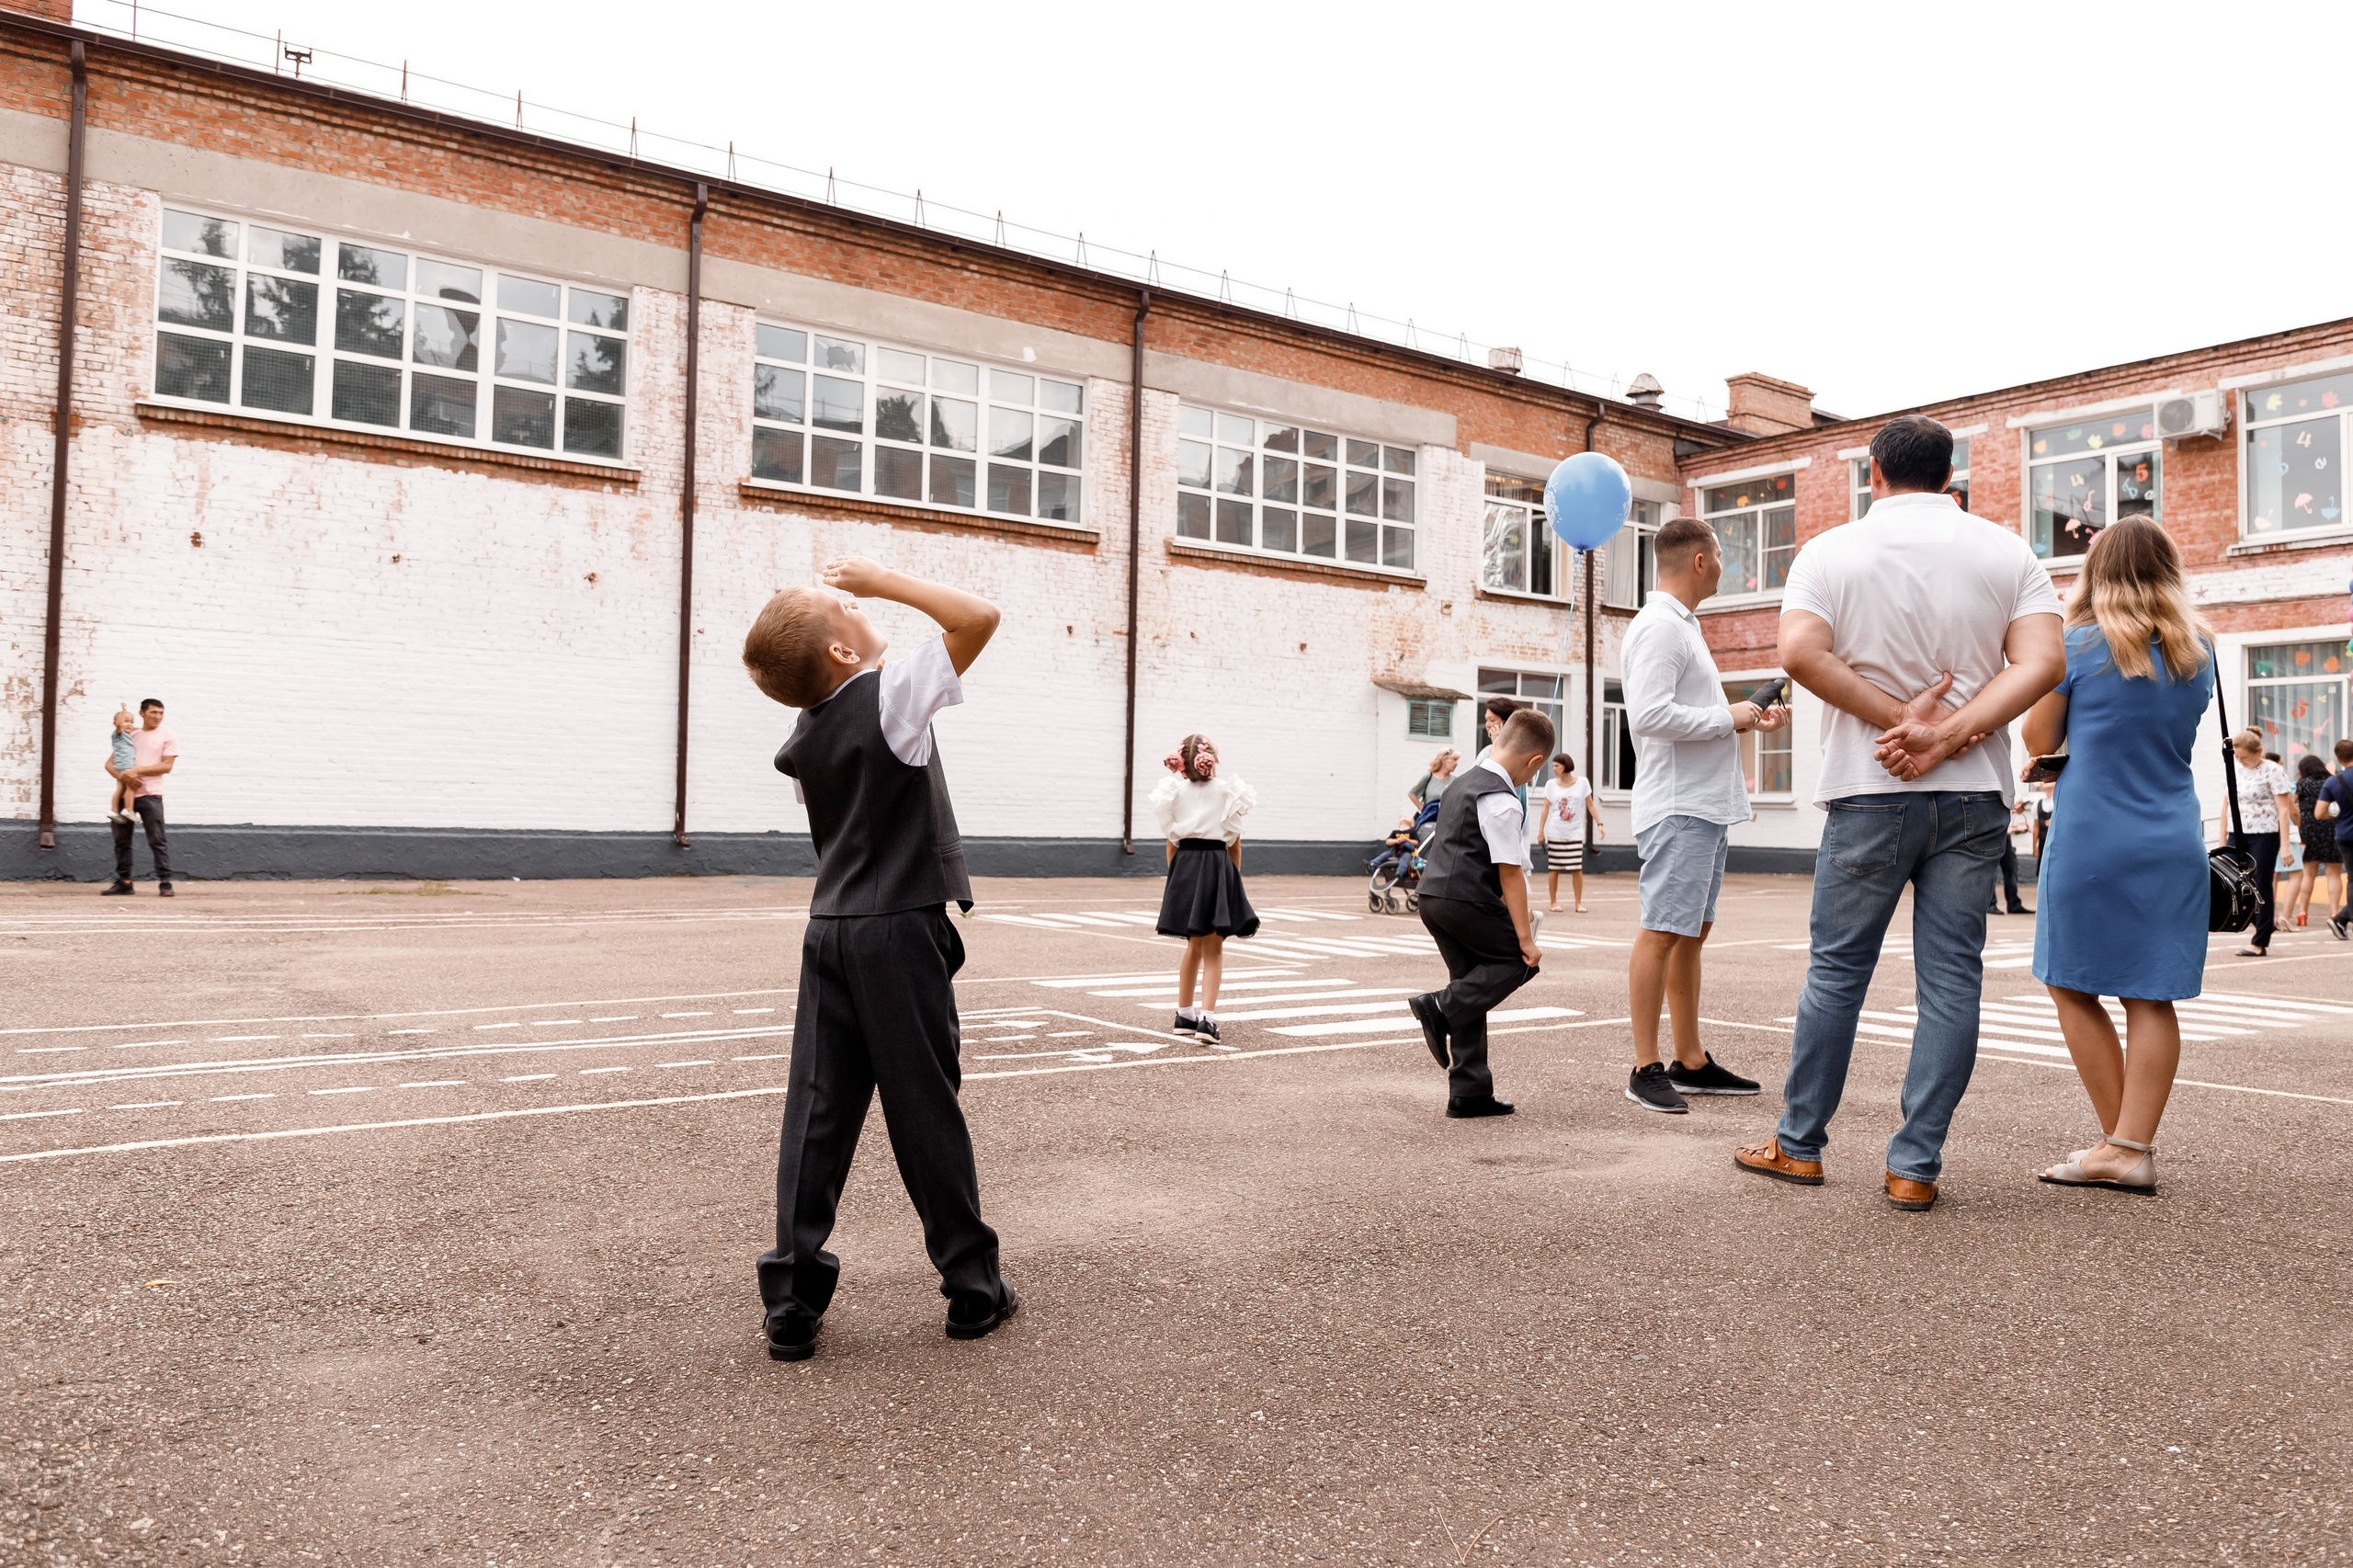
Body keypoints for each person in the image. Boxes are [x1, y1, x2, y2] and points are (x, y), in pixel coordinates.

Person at [1734, 415, 2065, 1212]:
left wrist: (1898, 726)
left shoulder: (1829, 551)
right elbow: (2045, 662)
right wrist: (1949, 734)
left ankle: (1800, 1146)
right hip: (1973, 794)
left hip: (1869, 789)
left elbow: (1800, 655)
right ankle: (1915, 1166)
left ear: (1873, 473)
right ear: (1950, 476)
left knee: (1838, 973)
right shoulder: (2007, 550)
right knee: (1952, 981)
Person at [740, 555, 1016, 1362]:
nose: (855, 603)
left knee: (817, 1112)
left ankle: (791, 1299)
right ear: (842, 654)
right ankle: (972, 1287)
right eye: (842, 605)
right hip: (898, 929)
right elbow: (979, 617)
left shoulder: (807, 737)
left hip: (830, 928)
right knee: (924, 1106)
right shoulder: (889, 695)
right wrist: (885, 580)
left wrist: (847, 600)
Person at [2024, 517, 2214, 1195]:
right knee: (2151, 995)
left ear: (2094, 569)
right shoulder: (2200, 650)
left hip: (2093, 837)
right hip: (2172, 837)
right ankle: (2127, 1144)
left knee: (2070, 982)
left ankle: (2122, 1146)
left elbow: (2038, 735)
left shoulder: (2074, 646)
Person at [1619, 517, 1782, 1113]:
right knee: (1662, 932)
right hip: (1679, 807)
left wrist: (1749, 717)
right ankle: (1644, 1067)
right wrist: (1729, 717)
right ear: (1698, 562)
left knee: (1689, 935)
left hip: (1704, 806)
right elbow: (1649, 717)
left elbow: (1694, 716)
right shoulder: (1661, 628)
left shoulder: (1683, 627)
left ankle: (1690, 1061)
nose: (1723, 565)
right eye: (1719, 555)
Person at [1408, 707, 1556, 1119]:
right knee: (1517, 963)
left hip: (1433, 897)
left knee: (1471, 984)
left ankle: (1469, 1092)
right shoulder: (1502, 799)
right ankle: (1438, 1008)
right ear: (1535, 762)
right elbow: (1510, 874)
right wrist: (1526, 938)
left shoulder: (1460, 785)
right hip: (1465, 900)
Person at [1152, 733, 1259, 1041]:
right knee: (1214, 947)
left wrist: (1175, 875)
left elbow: (1171, 841)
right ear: (1213, 759)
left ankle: (1184, 1014)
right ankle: (1207, 1021)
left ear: (1182, 761)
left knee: (1192, 944)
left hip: (1184, 863)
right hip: (1216, 864)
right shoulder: (1229, 791)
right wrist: (1232, 877)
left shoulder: (1173, 791)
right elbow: (1234, 842)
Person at [2222, 730, 2293, 958]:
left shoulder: (2273, 771)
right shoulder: (2235, 770)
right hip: (2238, 832)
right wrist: (2223, 839)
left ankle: (2260, 941)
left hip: (2265, 832)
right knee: (2234, 882)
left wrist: (2285, 845)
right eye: (2238, 757)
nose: (2240, 761)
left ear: (2258, 752)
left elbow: (2283, 809)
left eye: (2244, 757)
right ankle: (2258, 923)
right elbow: (2226, 806)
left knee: (2261, 883)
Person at [102, 698, 178, 898]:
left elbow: (166, 766)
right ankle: (124, 883)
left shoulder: (167, 736)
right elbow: (110, 764)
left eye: (161, 713)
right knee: (122, 841)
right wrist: (125, 778)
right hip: (126, 794)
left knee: (157, 840)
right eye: (153, 712)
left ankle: (165, 883)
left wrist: (136, 772)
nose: (158, 717)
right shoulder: (131, 734)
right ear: (142, 713)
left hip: (151, 795)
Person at [1540, 754, 1603, 913]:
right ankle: (1553, 902)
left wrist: (1599, 824)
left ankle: (1578, 903)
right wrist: (1541, 831)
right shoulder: (1550, 785)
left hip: (1575, 832)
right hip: (1555, 832)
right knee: (1554, 868)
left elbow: (1590, 805)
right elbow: (1545, 809)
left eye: (1557, 766)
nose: (1554, 769)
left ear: (1566, 765)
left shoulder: (1582, 783)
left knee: (1576, 868)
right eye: (1553, 766)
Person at [2289, 753, 2341, 928]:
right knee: (2333, 874)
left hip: (2308, 831)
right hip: (2331, 828)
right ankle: (2334, 912)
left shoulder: (2302, 784)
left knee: (2308, 873)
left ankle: (2303, 911)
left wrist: (2299, 821)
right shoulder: (2332, 781)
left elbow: (2291, 805)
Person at [2321, 739, 2353, 940]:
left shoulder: (2333, 781)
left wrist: (2338, 815)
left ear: (2338, 758)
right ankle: (2342, 918)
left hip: (2345, 835)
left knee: (2352, 878)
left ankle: (2341, 918)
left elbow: (2319, 812)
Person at [104, 706, 140, 824]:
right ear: (116, 723)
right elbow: (120, 725)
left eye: (131, 721)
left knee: (120, 788)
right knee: (131, 787)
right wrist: (123, 711)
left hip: (120, 765)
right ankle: (128, 809)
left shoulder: (126, 735)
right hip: (126, 765)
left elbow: (136, 729)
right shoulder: (119, 733)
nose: (129, 724)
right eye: (126, 721)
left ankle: (114, 811)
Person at [1407, 748, 1459, 822]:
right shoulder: (1429, 777)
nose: (1456, 763)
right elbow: (1412, 793)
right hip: (1429, 821)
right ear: (1444, 760)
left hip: (1446, 822)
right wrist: (1423, 809)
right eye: (1454, 759)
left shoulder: (1455, 781)